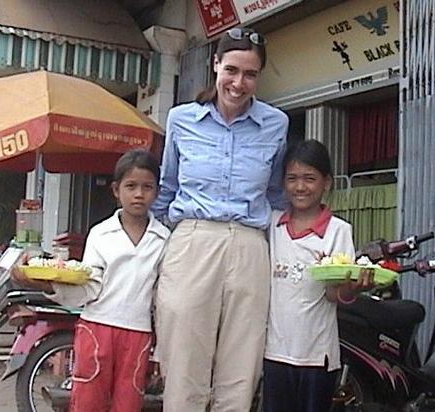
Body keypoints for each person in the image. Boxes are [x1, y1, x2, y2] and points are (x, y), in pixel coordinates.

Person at [152, 27, 290, 412]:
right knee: (182, 362)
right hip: (192, 241)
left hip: (249, 246)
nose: (238, 83)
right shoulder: (181, 120)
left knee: (242, 366)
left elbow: (276, 192)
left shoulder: (276, 124)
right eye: (231, 70)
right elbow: (166, 188)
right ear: (215, 66)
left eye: (250, 74)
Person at [12, 149, 170, 412]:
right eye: (131, 186)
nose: (139, 194)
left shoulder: (163, 238)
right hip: (97, 328)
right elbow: (89, 286)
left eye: (147, 187)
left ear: (157, 191)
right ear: (116, 190)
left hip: (138, 334)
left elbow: (161, 295)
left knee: (128, 402)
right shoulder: (101, 234)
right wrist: (42, 283)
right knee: (88, 400)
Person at [263, 140, 374, 412]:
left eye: (309, 179)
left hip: (317, 355)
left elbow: (334, 293)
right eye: (292, 179)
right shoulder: (272, 224)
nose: (300, 187)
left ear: (326, 182)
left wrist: (352, 289)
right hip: (274, 353)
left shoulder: (338, 231)